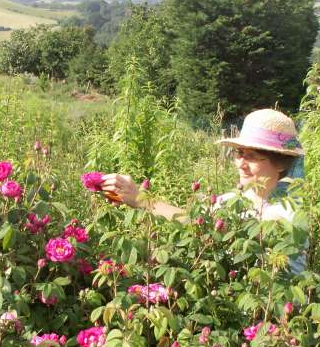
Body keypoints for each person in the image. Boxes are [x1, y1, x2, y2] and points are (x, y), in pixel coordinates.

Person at [101, 109, 306, 273]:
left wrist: (141, 199)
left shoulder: (290, 214)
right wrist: (136, 198)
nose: (240, 164)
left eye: (252, 156)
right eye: (239, 153)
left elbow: (225, 232)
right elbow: (194, 221)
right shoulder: (229, 201)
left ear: (280, 163)